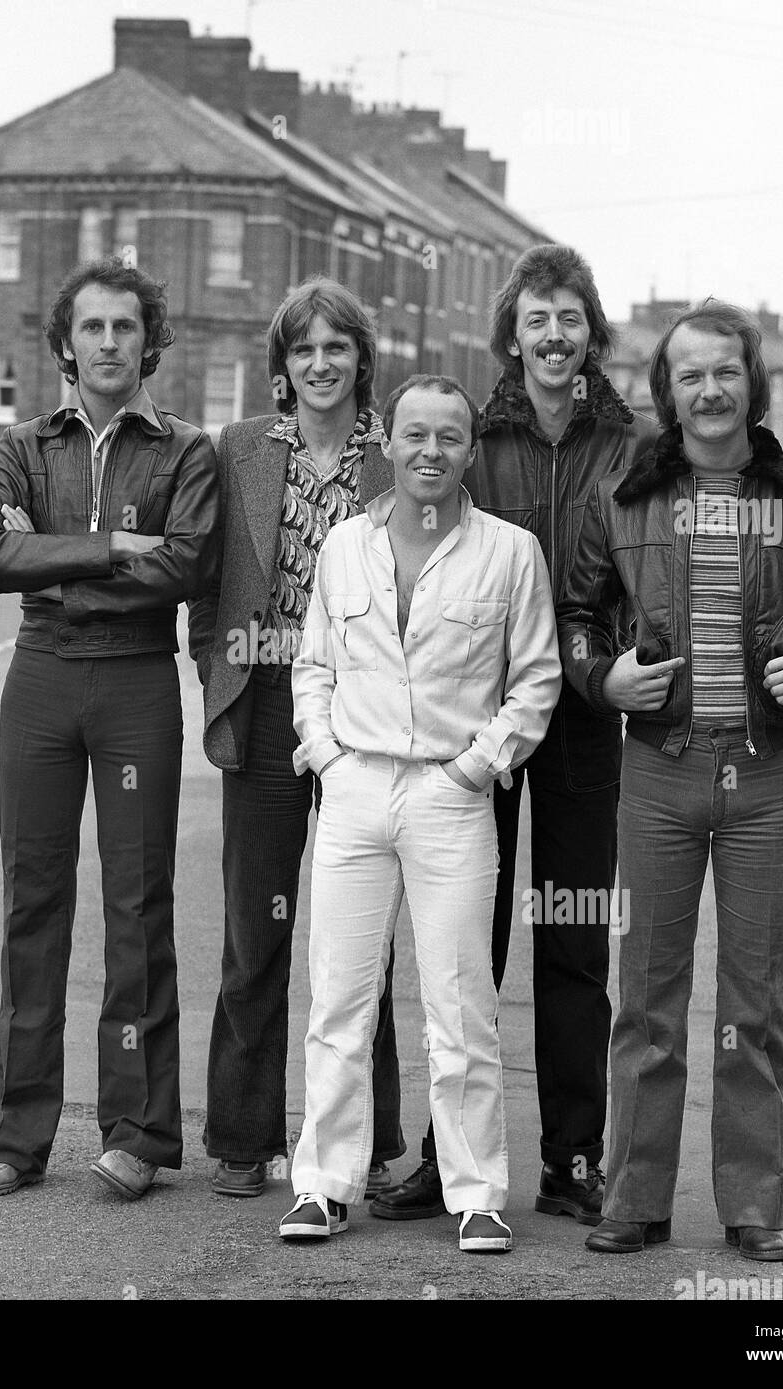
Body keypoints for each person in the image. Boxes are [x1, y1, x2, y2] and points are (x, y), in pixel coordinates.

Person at [558, 300, 783, 1259]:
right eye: (690, 374)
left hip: (763, 779)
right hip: (657, 774)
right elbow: (577, 617)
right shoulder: (620, 496)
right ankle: (635, 1196)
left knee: (756, 998)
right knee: (648, 995)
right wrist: (603, 674)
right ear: (666, 391)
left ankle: (754, 1205)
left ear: (753, 382)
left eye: (725, 372)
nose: (709, 390)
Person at [373, 244, 655, 1226]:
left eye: (569, 317)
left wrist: (620, 658)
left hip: (585, 717)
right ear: (512, 335)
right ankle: (449, 1160)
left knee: (574, 941)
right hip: (476, 725)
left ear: (592, 332)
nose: (553, 335)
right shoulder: (473, 436)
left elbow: (645, 566)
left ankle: (571, 1158)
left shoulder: (629, 443)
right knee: (464, 946)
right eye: (536, 319)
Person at [279, 375, 562, 1253]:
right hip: (355, 791)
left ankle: (477, 1192)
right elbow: (313, 665)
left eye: (448, 436)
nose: (429, 451)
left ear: (470, 451)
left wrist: (478, 767)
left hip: (451, 795)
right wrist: (325, 753)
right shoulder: (341, 547)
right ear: (387, 444)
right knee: (338, 998)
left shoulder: (510, 552)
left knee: (460, 1001)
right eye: (413, 435)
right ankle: (324, 1184)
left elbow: (537, 677)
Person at [0, 255, 217, 1201]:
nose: (109, 343)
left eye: (126, 327)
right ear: (64, 345)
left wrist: (51, 561)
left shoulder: (185, 450)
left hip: (139, 685)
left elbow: (183, 565)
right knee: (33, 900)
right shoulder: (25, 443)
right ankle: (16, 1138)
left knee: (139, 903)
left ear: (150, 341)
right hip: (40, 682)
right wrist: (110, 547)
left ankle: (138, 1133)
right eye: (92, 328)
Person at [188, 277, 404, 1199]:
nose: (321, 364)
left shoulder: (394, 461)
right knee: (255, 926)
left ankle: (369, 1141)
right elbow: (203, 576)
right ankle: (243, 1137)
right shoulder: (237, 448)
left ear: (362, 359)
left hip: (364, 714)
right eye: (304, 349)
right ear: (284, 366)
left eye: (337, 347)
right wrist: (217, 668)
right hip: (269, 700)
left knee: (363, 940)